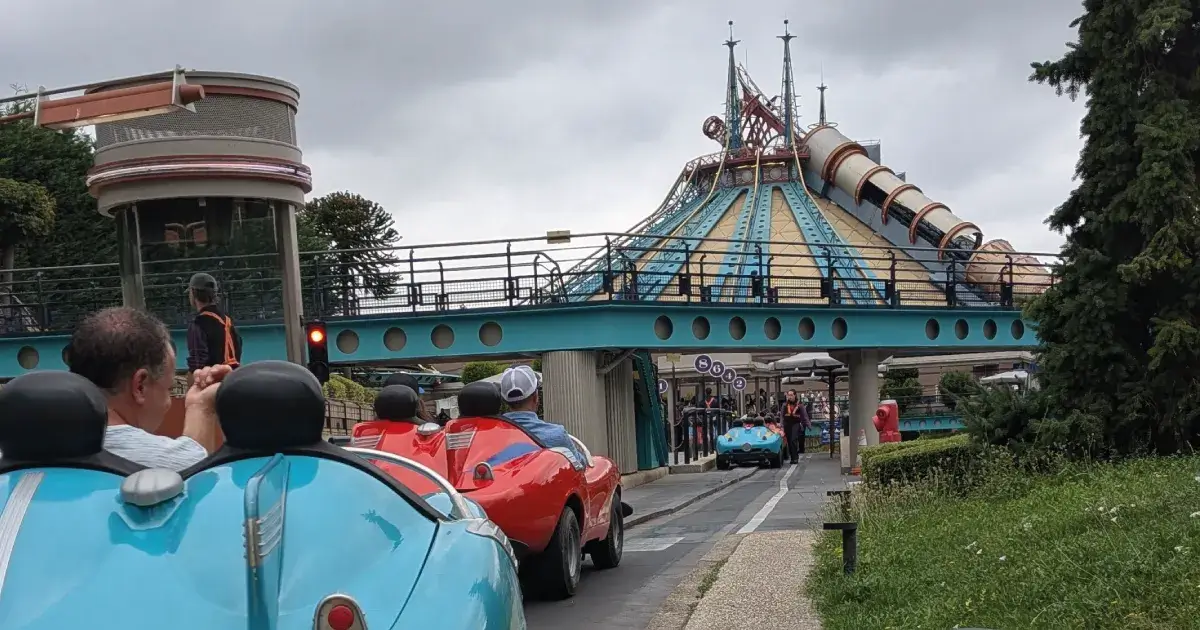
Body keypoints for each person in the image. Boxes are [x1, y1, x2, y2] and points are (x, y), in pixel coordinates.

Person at [66, 306, 225, 471]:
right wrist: (202, 408)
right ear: (140, 386)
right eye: (168, 389)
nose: (168, 401)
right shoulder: (169, 467)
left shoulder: (51, 443)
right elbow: (193, 468)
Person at [498, 365, 587, 465]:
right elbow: (580, 465)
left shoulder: (493, 438)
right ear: (536, 397)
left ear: (504, 401)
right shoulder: (557, 435)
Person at [185, 272, 243, 374]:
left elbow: (197, 367)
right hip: (233, 378)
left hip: (211, 381)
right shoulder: (228, 321)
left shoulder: (198, 324)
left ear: (193, 292)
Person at [780, 389, 810, 465]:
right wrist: (782, 426)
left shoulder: (799, 405)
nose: (789, 397)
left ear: (795, 395)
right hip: (787, 424)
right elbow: (782, 416)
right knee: (789, 441)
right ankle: (793, 457)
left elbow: (804, 415)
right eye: (788, 395)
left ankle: (795, 458)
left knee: (793, 439)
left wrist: (808, 425)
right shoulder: (784, 405)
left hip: (796, 423)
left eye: (791, 395)